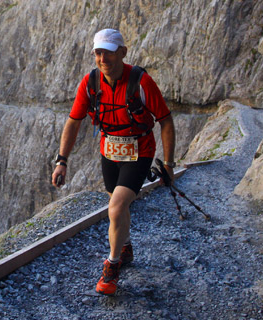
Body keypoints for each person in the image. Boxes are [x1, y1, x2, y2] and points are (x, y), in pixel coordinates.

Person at [51, 28, 176, 295]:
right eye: (98, 52)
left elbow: (165, 120)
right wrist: (62, 160)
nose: (103, 58)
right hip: (109, 152)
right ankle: (126, 247)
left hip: (139, 151)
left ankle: (112, 266)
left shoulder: (141, 82)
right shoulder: (90, 83)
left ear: (123, 52)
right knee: (116, 206)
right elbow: (74, 121)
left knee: (117, 208)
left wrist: (168, 164)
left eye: (108, 52)